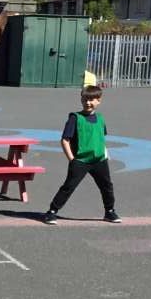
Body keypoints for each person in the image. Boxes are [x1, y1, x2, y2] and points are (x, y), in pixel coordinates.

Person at [41, 88, 121, 224]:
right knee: (69, 186)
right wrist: (72, 159)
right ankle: (52, 212)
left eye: (91, 100)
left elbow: (101, 137)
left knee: (107, 186)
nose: (88, 103)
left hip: (99, 160)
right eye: (85, 99)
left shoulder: (100, 118)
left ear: (99, 101)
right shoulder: (75, 118)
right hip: (81, 160)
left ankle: (110, 211)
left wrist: (105, 153)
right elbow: (65, 140)